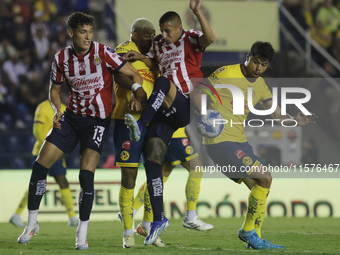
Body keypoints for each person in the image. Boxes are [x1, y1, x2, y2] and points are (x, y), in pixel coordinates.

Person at [17, 12, 143, 250]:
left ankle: (81, 231)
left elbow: (132, 74)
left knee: (86, 175)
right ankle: (32, 222)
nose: (88, 37)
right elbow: (54, 90)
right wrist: (56, 109)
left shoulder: (103, 53)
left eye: (90, 32)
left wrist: (137, 92)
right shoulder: (61, 58)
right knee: (39, 165)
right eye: (83, 32)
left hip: (97, 122)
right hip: (72, 118)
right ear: (71, 33)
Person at [191, 41, 317, 250]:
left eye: (264, 64)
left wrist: (296, 120)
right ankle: (248, 231)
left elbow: (277, 115)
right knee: (265, 176)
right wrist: (204, 113)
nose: (258, 68)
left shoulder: (260, 86)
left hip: (239, 142)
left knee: (261, 186)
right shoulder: (225, 73)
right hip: (220, 141)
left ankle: (254, 237)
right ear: (248, 56)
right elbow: (196, 93)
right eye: (256, 62)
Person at [113, 17, 213, 247]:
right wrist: (140, 60)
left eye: (161, 32)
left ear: (179, 28)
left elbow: (209, 39)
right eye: (153, 33)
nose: (158, 37)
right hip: (160, 118)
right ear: (134, 34)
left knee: (164, 82)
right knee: (153, 163)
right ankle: (156, 220)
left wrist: (197, 12)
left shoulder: (188, 39)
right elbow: (130, 68)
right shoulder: (143, 49)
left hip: (176, 105)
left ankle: (189, 215)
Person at [9, 98, 78, 228]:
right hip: (45, 151)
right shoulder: (43, 107)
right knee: (42, 182)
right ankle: (73, 217)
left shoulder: (65, 109)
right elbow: (37, 130)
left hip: (56, 151)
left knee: (60, 180)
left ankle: (73, 217)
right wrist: (47, 148)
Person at [134, 128, 213, 237]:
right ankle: (191, 216)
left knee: (161, 176)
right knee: (196, 168)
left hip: (163, 133)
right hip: (175, 134)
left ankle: (133, 212)